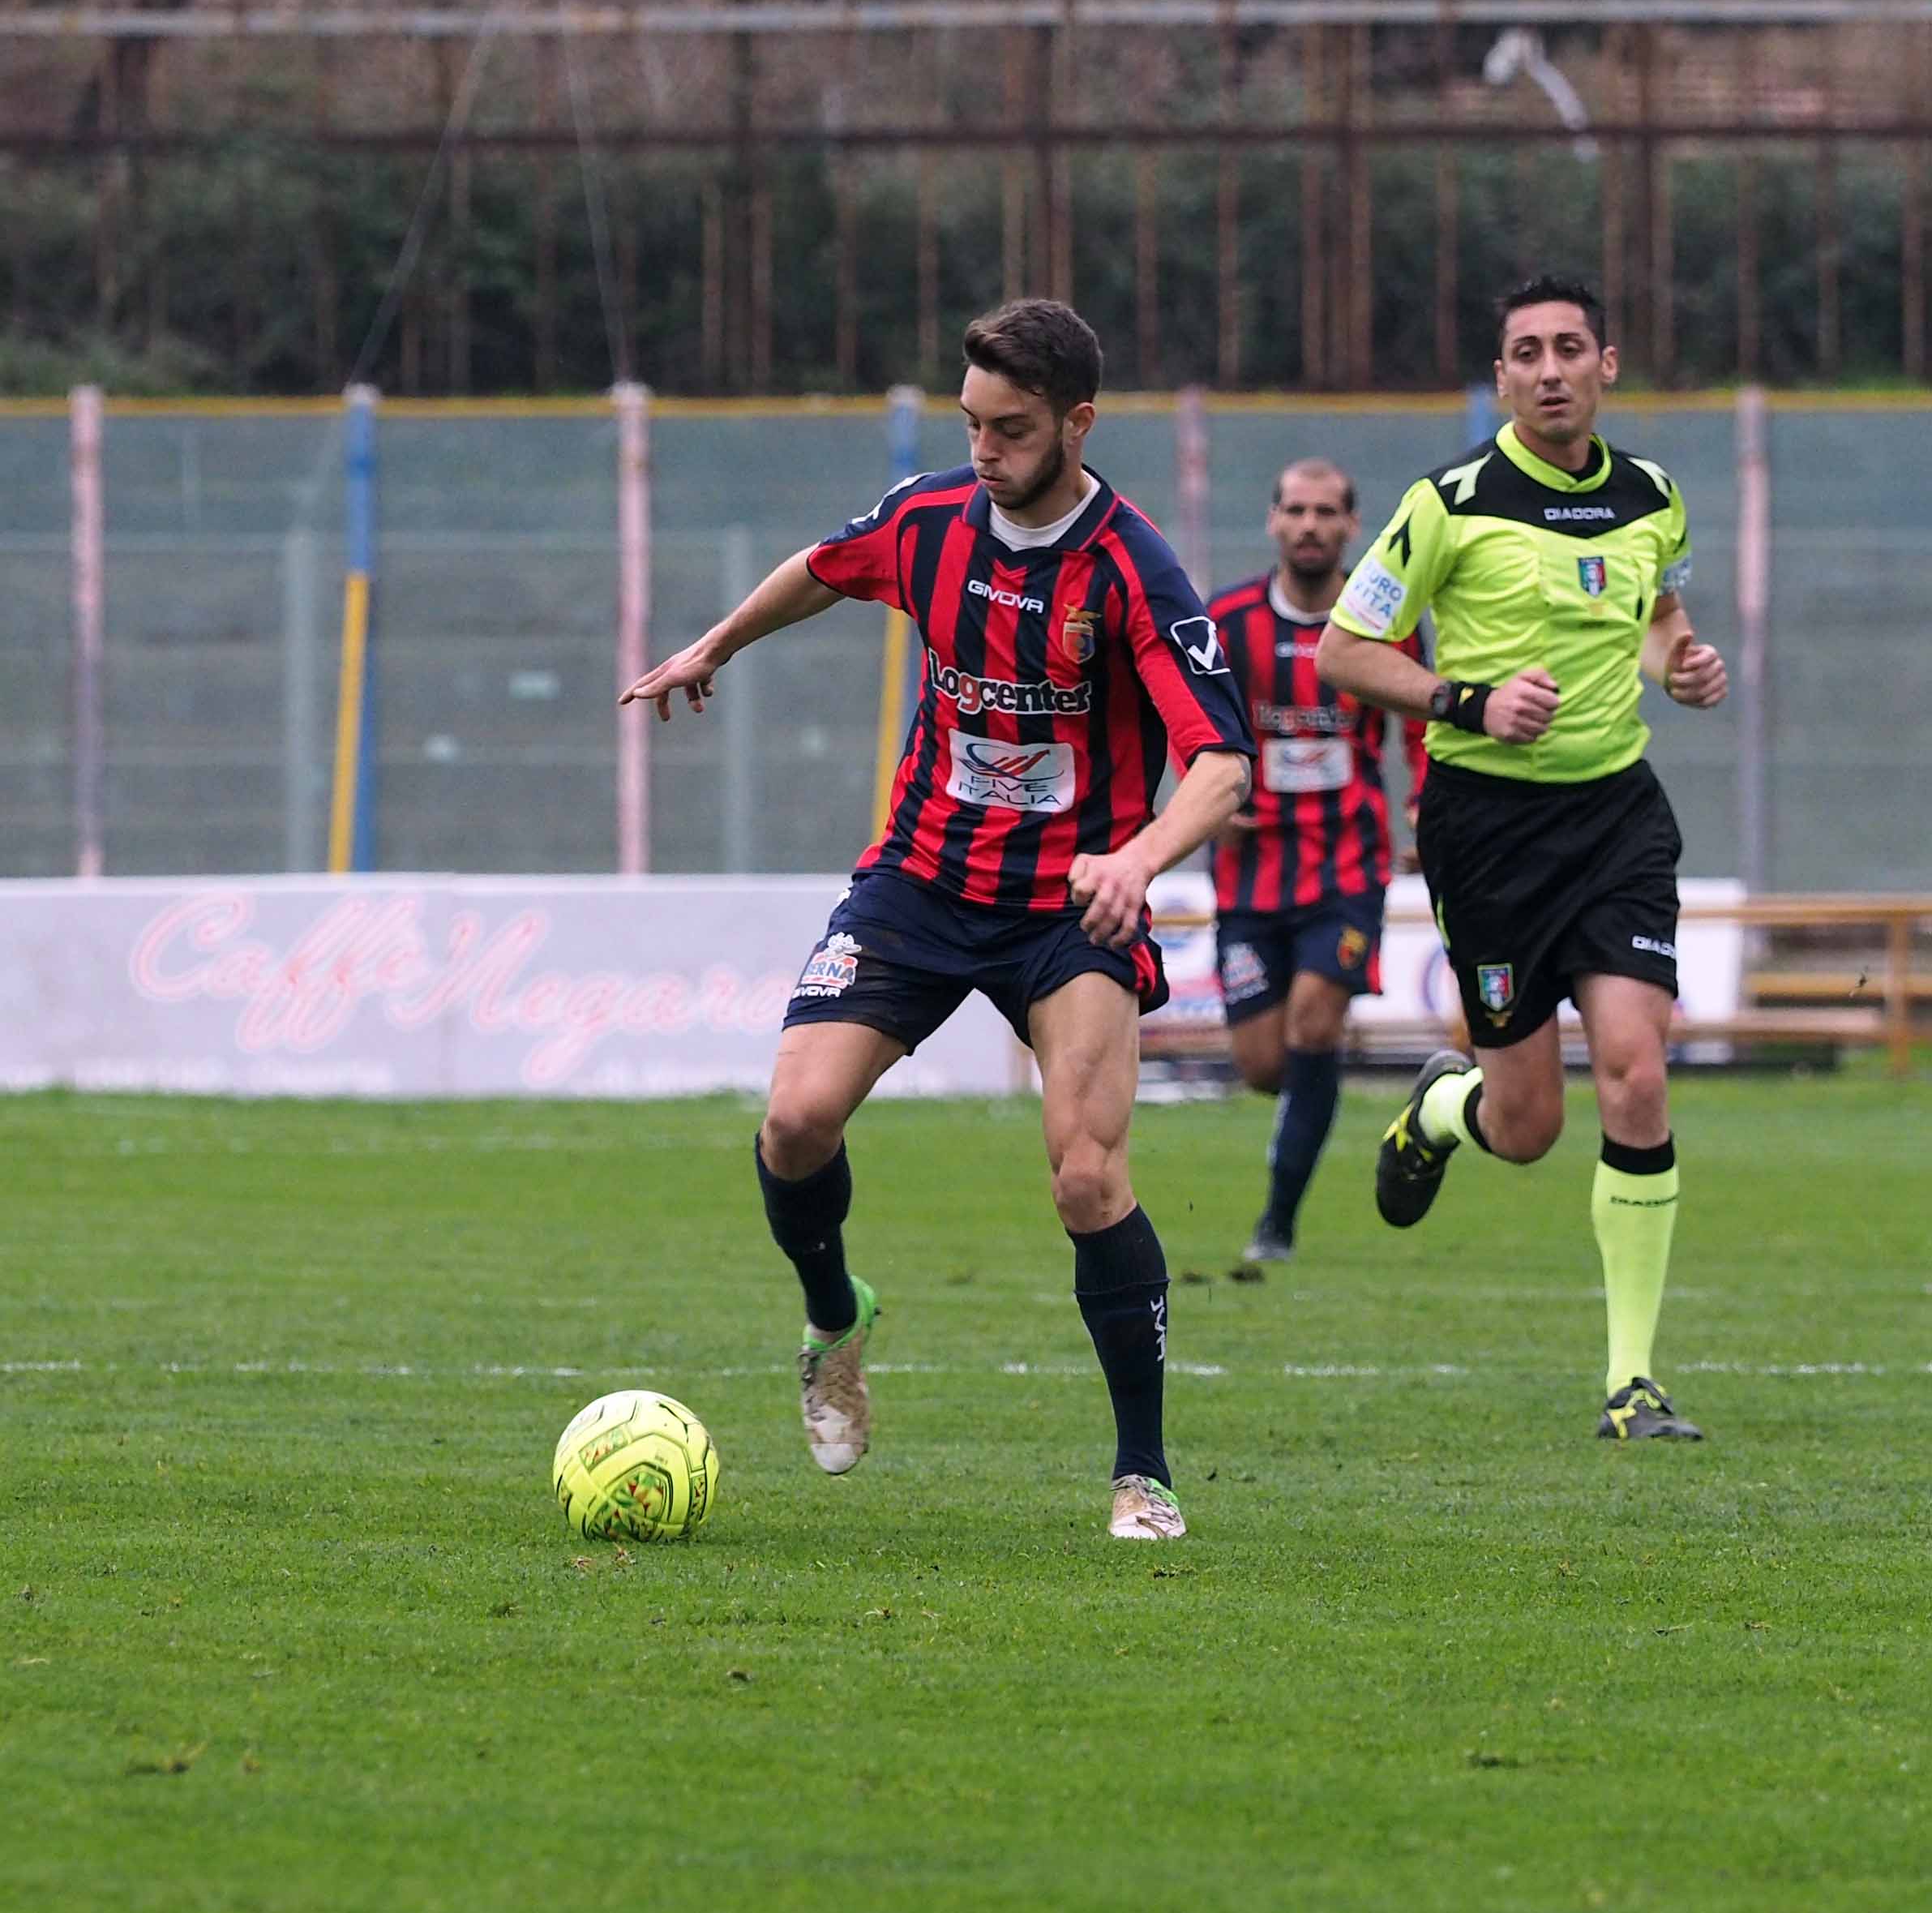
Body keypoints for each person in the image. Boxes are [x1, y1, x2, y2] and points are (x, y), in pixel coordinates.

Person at [623, 299, 1254, 1537]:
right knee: (795, 1120)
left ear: (1076, 422)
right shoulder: (929, 520)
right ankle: (832, 1314)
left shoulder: (1133, 567)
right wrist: (715, 644)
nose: (983, 450)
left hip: (1069, 905)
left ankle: (1142, 1471)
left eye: (1010, 429)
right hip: (920, 881)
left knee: (1084, 1174)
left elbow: (1223, 765)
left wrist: (1137, 858)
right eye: (970, 423)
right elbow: (821, 568)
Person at [1316, 274, 1728, 1442]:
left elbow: (1653, 616)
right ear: (1498, 378)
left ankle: (1629, 1381)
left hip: (1615, 819)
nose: (1546, 369)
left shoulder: (1653, 498)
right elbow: (1342, 654)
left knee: (1638, 1074)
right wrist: (1465, 697)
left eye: (1566, 348)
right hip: (1486, 830)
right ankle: (1439, 1111)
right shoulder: (1444, 504)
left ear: (1605, 364)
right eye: (1522, 353)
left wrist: (1680, 662)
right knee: (1529, 1124)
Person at [1205, 460, 1429, 1264]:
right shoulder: (1226, 619)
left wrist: (1421, 809)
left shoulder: (1386, 621)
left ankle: (1277, 1225)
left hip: (1346, 864)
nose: (1308, 524)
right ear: (1272, 522)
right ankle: (1331, 1103)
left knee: (1311, 1020)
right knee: (1266, 1064)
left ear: (1349, 526)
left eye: (1324, 511)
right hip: (1248, 866)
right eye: (1294, 509)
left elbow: (1420, 725)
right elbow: (1182, 711)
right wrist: (1207, 793)